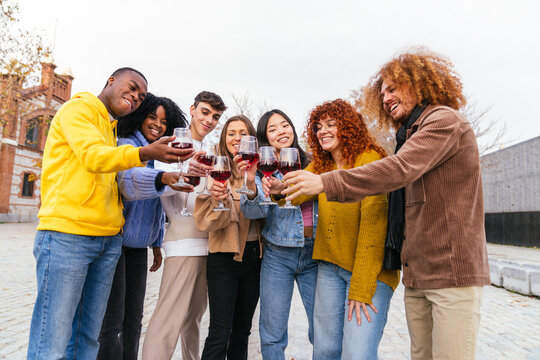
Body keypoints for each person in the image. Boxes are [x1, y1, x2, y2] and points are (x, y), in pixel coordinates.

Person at [281, 48, 490, 360]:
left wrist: (327, 182)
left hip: (452, 274)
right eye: (382, 93)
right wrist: (276, 187)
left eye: (393, 88)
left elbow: (398, 169)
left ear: (418, 82)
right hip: (419, 274)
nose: (386, 97)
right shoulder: (410, 134)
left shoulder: (444, 121)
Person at [28, 68, 194, 360]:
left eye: (141, 96)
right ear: (111, 81)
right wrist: (146, 155)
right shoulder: (77, 109)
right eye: (131, 88)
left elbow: (118, 185)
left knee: (87, 340)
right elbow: (93, 157)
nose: (135, 97)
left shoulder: (111, 128)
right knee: (51, 343)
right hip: (68, 236)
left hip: (107, 241)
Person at [266, 99, 399, 359]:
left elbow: (374, 230)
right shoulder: (322, 164)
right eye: (318, 126)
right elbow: (296, 190)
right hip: (330, 267)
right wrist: (280, 191)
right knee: (325, 349)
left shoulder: (369, 159)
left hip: (369, 273)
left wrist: (361, 289)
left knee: (357, 353)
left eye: (331, 124)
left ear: (348, 127)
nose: (322, 131)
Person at [97, 93, 190, 360]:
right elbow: (130, 180)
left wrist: (157, 243)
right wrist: (163, 177)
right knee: (112, 321)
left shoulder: (158, 153)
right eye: (152, 117)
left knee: (134, 318)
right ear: (139, 116)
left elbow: (155, 209)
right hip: (115, 243)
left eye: (163, 121)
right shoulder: (127, 145)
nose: (157, 125)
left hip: (138, 247)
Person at [142, 91, 226, 360]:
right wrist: (183, 174)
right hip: (182, 243)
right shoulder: (172, 146)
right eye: (204, 112)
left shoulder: (211, 152)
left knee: (193, 321)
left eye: (215, 117)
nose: (209, 120)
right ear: (192, 109)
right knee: (168, 321)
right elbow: (159, 187)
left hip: (209, 244)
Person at [240, 109, 317, 359]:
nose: (281, 132)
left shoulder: (314, 164)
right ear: (265, 138)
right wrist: (251, 183)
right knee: (272, 333)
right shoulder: (264, 171)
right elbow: (252, 213)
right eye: (272, 129)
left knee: (323, 330)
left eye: (284, 125)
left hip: (316, 254)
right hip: (278, 255)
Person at [194, 115, 262, 360]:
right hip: (223, 258)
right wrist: (218, 198)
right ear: (224, 138)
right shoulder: (217, 169)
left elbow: (266, 215)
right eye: (231, 133)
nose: (237, 138)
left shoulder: (260, 169)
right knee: (220, 331)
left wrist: (253, 183)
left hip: (255, 259)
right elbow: (210, 222)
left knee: (242, 331)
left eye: (242, 133)